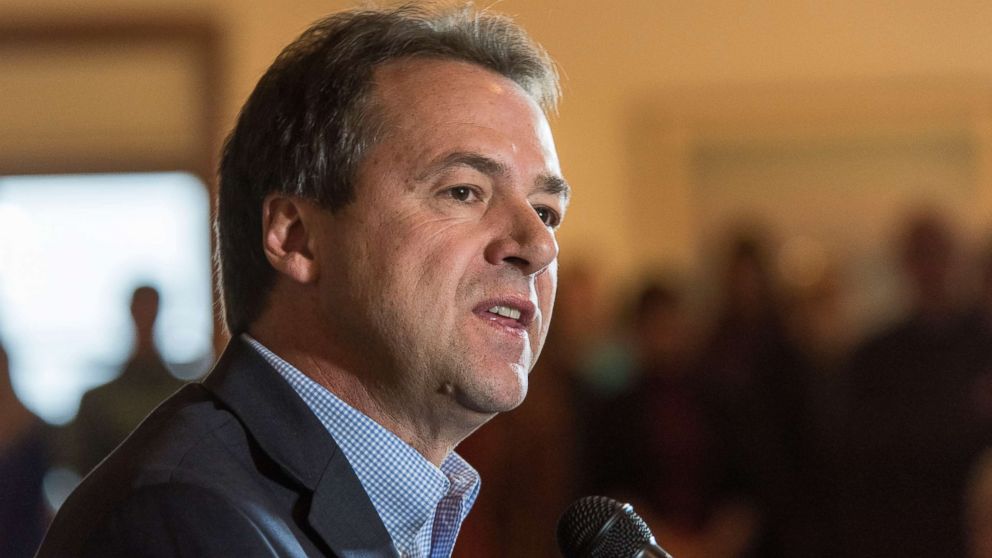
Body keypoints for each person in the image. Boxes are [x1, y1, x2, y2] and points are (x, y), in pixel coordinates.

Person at [36, 5, 568, 557]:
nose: (539, 245)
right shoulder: (183, 517)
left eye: (546, 210)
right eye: (463, 191)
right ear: (295, 238)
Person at [68, 285, 186, 475]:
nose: (145, 316)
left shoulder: (183, 398)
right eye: (141, 308)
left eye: (150, 308)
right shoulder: (96, 403)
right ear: (132, 312)